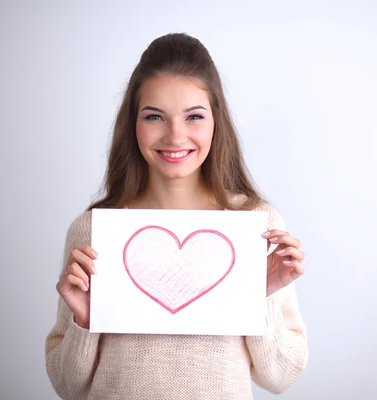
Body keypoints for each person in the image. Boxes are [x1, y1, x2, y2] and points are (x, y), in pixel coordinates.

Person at [44, 33, 308, 399]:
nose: (174, 136)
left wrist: (256, 295)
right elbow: (68, 386)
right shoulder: (93, 230)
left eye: (194, 116)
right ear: (132, 123)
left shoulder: (256, 226)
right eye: (154, 116)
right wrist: (85, 321)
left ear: (216, 121)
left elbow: (280, 377)